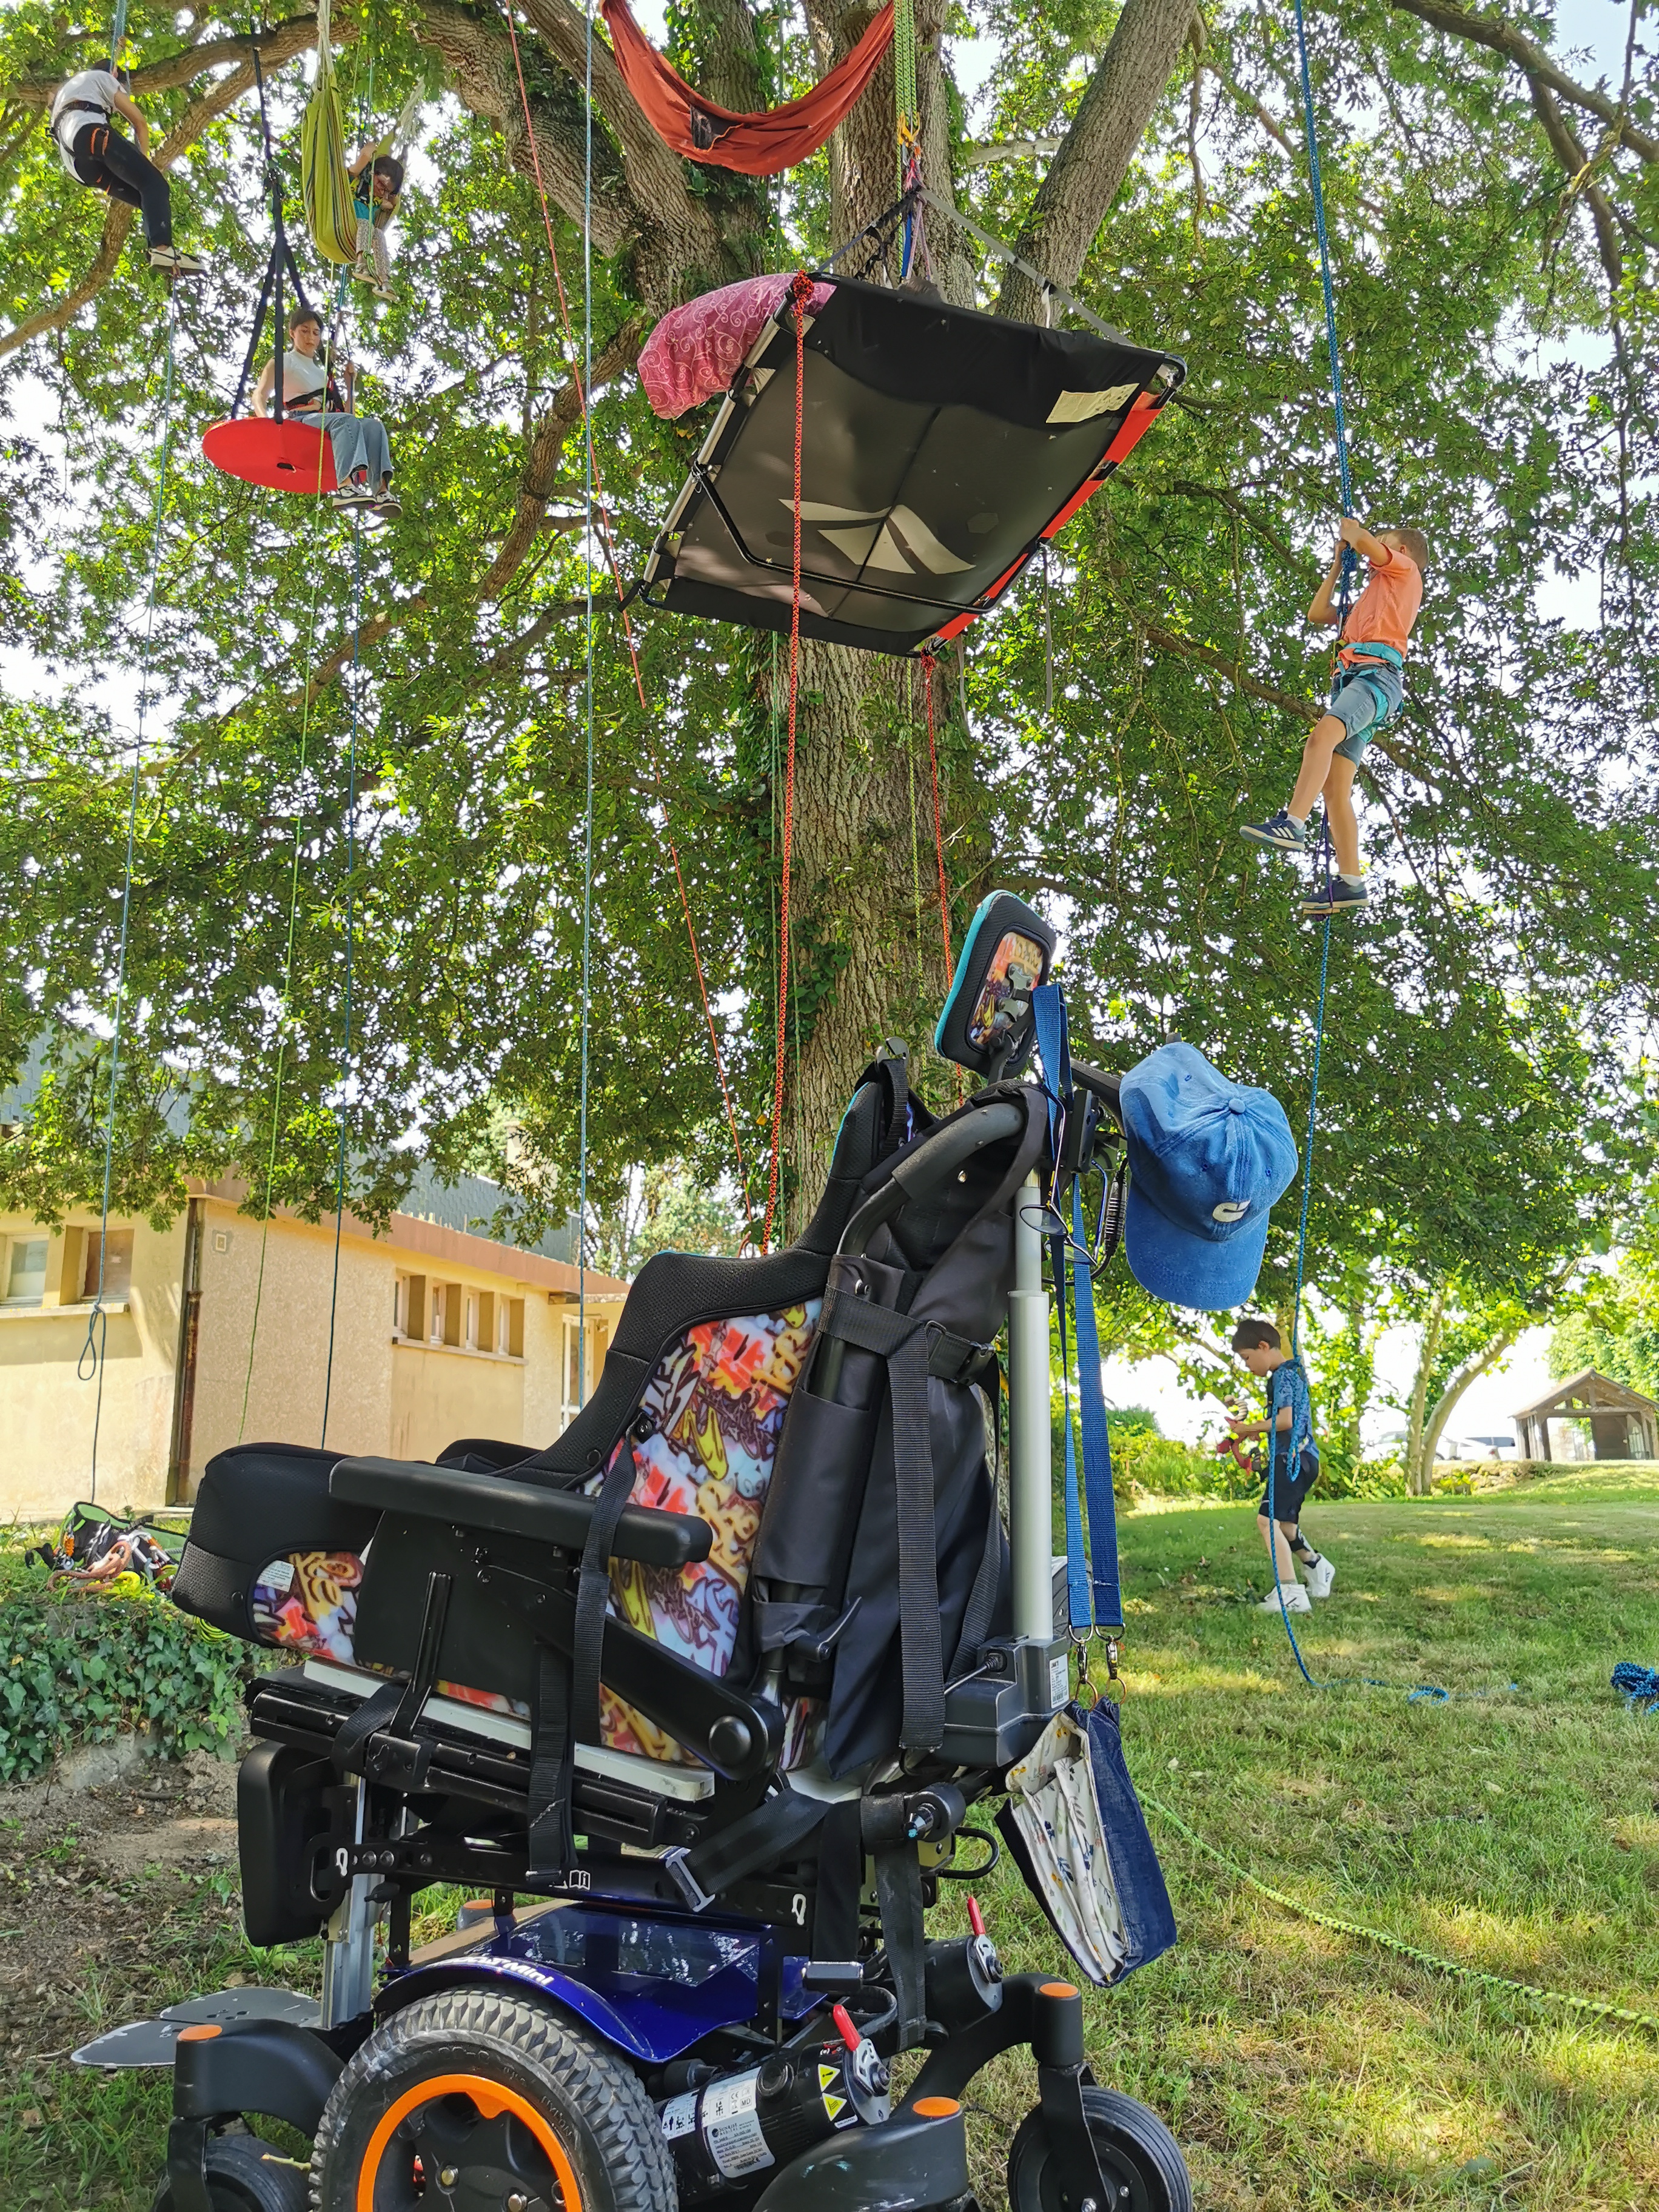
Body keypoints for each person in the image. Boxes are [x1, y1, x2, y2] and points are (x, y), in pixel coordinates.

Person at [1240, 517, 1428, 917]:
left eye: (1384, 540)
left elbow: (1362, 539)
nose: (1377, 545)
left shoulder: (1406, 572)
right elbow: (1317, 612)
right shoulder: (1367, 603)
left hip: (1376, 678)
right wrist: (1337, 564)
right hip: (1358, 684)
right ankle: (1351, 883)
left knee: (1321, 736)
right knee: (1335, 790)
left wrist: (1354, 532)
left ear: (1402, 551)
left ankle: (1293, 823)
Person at [50, 59, 206, 278]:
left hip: (78, 166)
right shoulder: (103, 77)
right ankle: (163, 249)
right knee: (154, 185)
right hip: (87, 133)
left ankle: (160, 251)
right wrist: (145, 167)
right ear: (113, 74)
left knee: (146, 198)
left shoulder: (68, 92)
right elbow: (139, 123)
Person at [250, 304, 401, 520]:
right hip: (302, 421)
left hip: (327, 421)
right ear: (292, 333)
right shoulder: (283, 361)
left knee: (373, 427)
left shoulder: (322, 374)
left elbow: (349, 417)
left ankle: (382, 491)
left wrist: (349, 385)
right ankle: (345, 486)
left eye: (315, 333)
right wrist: (266, 425)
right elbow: (260, 395)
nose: (310, 338)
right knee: (345, 422)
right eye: (304, 331)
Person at [1227, 1317, 1335, 1614]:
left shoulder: (1282, 1376)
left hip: (1292, 1461)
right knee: (1286, 1526)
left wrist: (1249, 1428)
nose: (1247, 1366)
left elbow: (1285, 1421)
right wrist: (1257, 1430)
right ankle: (1317, 1566)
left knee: (1267, 1522)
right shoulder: (1292, 1372)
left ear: (1264, 1346)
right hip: (1305, 1459)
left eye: (1247, 1358)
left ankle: (1290, 1593)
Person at [347, 146, 403, 299]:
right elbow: (357, 166)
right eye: (381, 183)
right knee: (367, 225)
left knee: (378, 233)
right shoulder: (354, 183)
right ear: (372, 173)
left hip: (363, 237)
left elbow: (392, 205)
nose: (381, 190)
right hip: (348, 225)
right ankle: (362, 264)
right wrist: (367, 153)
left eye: (386, 190)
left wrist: (393, 194)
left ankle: (384, 281)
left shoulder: (377, 201)